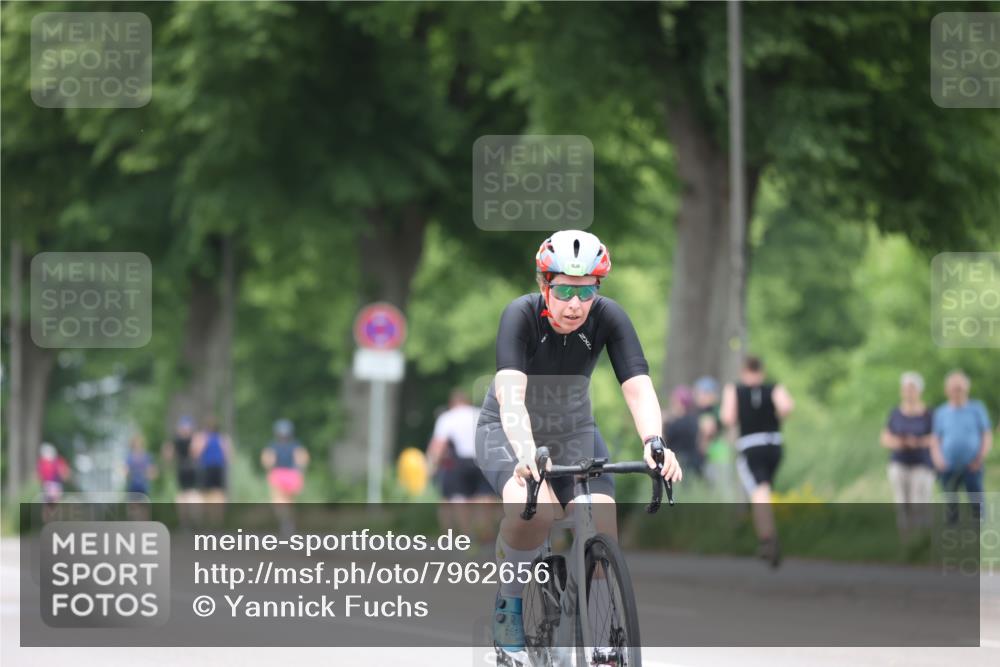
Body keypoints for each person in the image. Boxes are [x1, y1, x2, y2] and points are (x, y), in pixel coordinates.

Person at [474, 230, 681, 666]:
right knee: (537, 513)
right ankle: (508, 611)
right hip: (509, 430)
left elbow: (638, 387)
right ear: (544, 284)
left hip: (574, 430)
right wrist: (527, 453)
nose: (574, 304)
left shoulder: (609, 317)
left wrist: (655, 441)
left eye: (585, 292)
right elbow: (511, 395)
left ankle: (603, 634)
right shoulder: (520, 315)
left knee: (601, 520)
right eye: (565, 290)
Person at [720, 356, 794, 567]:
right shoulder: (773, 388)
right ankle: (768, 535)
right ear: (761, 371)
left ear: (744, 371)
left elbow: (728, 418)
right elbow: (786, 407)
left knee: (759, 493)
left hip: (750, 446)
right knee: (765, 488)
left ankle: (767, 538)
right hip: (774, 444)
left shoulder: (734, 390)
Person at [427, 389, 494, 538]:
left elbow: (438, 445)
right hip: (483, 460)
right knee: (484, 496)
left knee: (460, 497)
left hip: (460, 461)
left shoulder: (448, 417)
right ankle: (484, 531)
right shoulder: (480, 413)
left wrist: (432, 466)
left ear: (452, 403)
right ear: (468, 401)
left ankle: (466, 533)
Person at [931, 371, 992, 524]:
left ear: (966, 389)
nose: (957, 391)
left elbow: (986, 435)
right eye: (954, 388)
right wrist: (938, 459)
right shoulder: (941, 412)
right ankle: (953, 531)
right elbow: (935, 439)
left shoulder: (977, 408)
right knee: (950, 500)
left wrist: (980, 457)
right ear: (947, 390)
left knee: (976, 498)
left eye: (960, 388)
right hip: (948, 465)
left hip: (972, 464)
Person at [880, 372, 935, 538]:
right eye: (906, 389)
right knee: (902, 501)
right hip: (899, 462)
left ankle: (922, 537)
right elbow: (885, 437)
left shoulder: (929, 414)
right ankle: (905, 538)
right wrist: (899, 442)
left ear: (919, 391)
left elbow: (936, 438)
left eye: (912, 389)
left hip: (922, 463)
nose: (909, 392)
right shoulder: (895, 413)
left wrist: (917, 442)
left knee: (919, 500)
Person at [694, 376, 733, 497]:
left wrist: (704, 442)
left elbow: (709, 429)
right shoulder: (699, 411)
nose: (698, 397)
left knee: (720, 489)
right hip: (707, 456)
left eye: (701, 393)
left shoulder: (714, 410)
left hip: (717, 454)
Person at [261, 419, 310, 503]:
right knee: (289, 501)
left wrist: (269, 471)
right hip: (292, 474)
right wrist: (301, 473)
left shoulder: (273, 446)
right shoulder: (296, 445)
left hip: (279, 473)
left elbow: (267, 461)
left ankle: (284, 515)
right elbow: (303, 461)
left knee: (279, 500)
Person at [191, 415, 233, 504]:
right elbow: (195, 454)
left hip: (217, 468)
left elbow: (228, 455)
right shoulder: (203, 437)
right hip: (206, 468)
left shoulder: (221, 438)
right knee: (206, 494)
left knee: (218, 494)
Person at [664, 385, 703, 477]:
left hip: (680, 462)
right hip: (694, 461)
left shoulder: (675, 424)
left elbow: (666, 440)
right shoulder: (694, 419)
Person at [162, 416, 200, 503]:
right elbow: (168, 455)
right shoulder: (177, 440)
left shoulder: (191, 439)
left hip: (191, 469)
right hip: (183, 469)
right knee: (184, 494)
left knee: (190, 494)